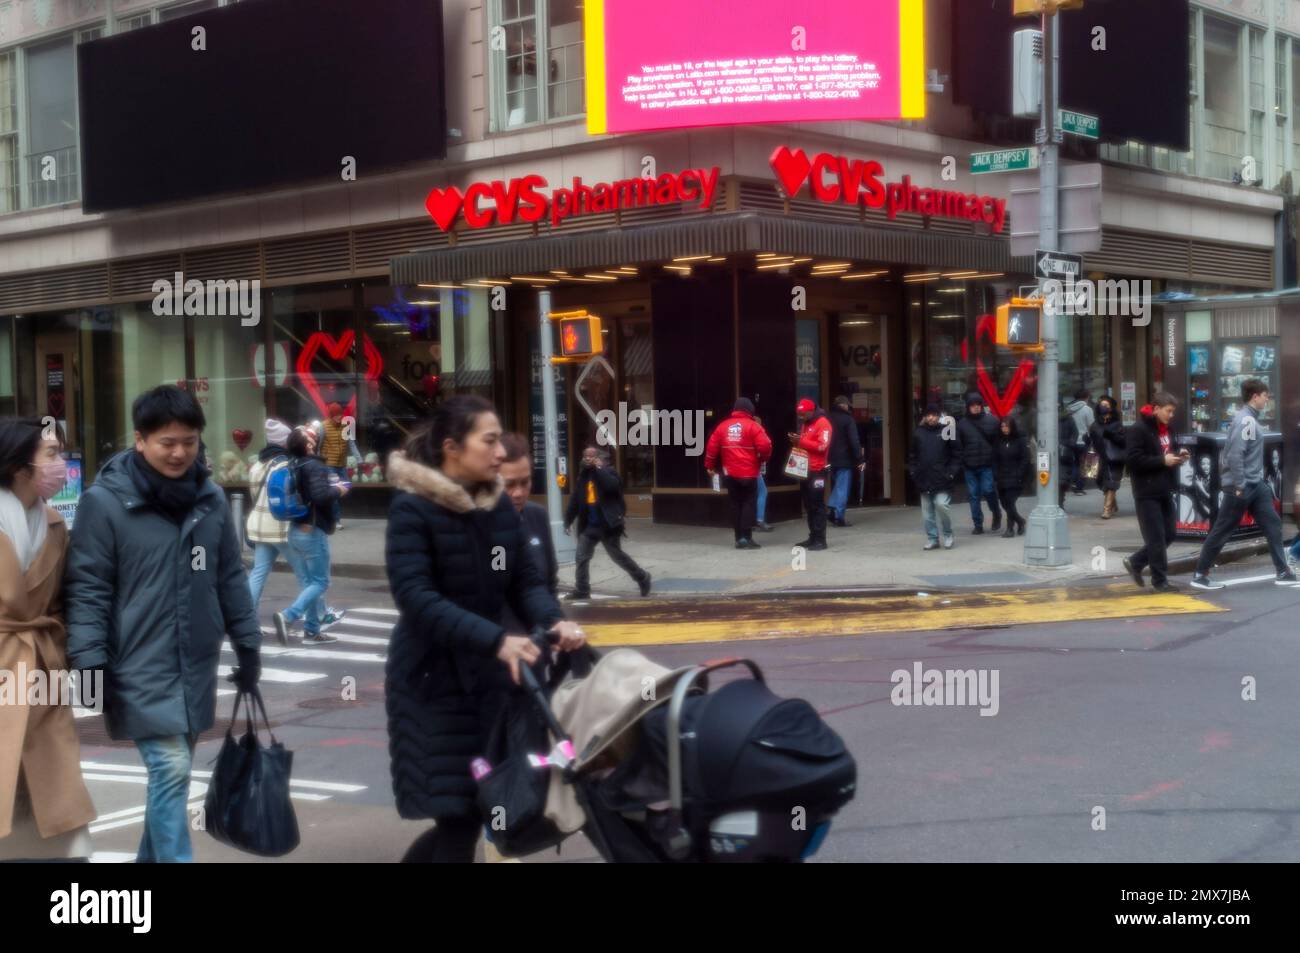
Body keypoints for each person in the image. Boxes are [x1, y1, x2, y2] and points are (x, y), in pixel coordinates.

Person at [65, 385, 263, 863]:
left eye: (189, 442)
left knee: (170, 781)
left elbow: (229, 576)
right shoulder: (105, 503)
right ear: (140, 440)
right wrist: (89, 665)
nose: (179, 453)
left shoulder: (210, 499)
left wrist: (248, 643)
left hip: (195, 663)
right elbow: (88, 589)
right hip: (135, 663)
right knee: (172, 768)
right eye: (167, 442)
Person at [384, 395, 585, 863]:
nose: (500, 452)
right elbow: (417, 599)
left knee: (478, 811)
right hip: (431, 685)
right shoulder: (412, 510)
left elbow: (525, 583)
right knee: (457, 816)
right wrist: (496, 640)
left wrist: (553, 621)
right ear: (453, 446)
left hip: (490, 687)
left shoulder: (496, 508)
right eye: (489, 440)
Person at [0, 417, 97, 861]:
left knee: (49, 782)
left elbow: (62, 599)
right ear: (21, 467)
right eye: (52, 454)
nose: (62, 464)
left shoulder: (53, 523)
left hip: (39, 666)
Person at [1191, 380, 1300, 589]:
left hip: (1254, 485)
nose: (1267, 399)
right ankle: (1199, 574)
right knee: (1222, 530)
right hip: (1241, 486)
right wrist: (1240, 484)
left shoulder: (1249, 419)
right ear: (1255, 396)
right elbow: (1234, 454)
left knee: (1273, 524)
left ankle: (1283, 571)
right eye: (1265, 395)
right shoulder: (1246, 421)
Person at [272, 427, 347, 645]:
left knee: (310, 584)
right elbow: (320, 496)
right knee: (321, 582)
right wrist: (339, 490)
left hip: (296, 529)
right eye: (309, 436)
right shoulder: (313, 465)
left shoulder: (294, 464)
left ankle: (312, 631)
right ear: (307, 445)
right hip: (312, 530)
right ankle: (288, 616)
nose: (313, 435)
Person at [564, 446, 652, 599]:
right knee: (581, 556)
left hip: (608, 525)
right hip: (590, 526)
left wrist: (599, 469)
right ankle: (582, 590)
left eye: (591, 456)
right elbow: (575, 501)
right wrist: (567, 520)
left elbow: (612, 487)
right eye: (585, 457)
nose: (587, 459)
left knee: (617, 556)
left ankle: (642, 577)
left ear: (598, 458)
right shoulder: (583, 476)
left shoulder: (609, 472)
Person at [1121, 393, 1187, 593]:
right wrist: (1162, 461)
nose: (1171, 415)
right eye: (1168, 411)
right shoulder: (1138, 430)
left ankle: (1136, 562)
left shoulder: (1169, 430)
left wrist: (1179, 456)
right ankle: (1160, 580)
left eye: (1173, 411)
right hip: (1146, 491)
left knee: (1169, 534)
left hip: (1165, 488)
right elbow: (1133, 461)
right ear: (1156, 408)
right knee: (1156, 537)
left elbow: (1168, 454)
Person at [245, 419, 305, 636]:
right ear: (285, 441)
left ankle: (246, 619)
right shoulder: (288, 464)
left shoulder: (257, 465)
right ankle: (313, 618)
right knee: (306, 574)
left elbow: (253, 495)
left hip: (260, 526)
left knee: (258, 572)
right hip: (281, 528)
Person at [704, 397, 773, 549]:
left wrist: (709, 465)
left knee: (735, 503)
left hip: (730, 473)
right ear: (749, 410)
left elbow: (712, 447)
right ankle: (747, 538)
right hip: (749, 473)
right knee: (749, 503)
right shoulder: (754, 426)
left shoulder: (723, 426)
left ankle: (738, 538)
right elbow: (766, 445)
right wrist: (762, 459)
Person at [499, 433, 558, 596]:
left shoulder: (538, 515)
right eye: (509, 485)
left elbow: (550, 582)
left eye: (525, 482)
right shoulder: (484, 523)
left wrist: (553, 619)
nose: (518, 493)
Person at [908, 402, 960, 551]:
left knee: (942, 505)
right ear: (925, 416)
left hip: (942, 478)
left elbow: (957, 454)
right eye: (929, 415)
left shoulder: (947, 431)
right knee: (927, 513)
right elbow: (912, 455)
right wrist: (913, 471)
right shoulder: (919, 432)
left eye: (934, 415)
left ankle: (948, 534)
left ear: (939, 416)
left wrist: (951, 472)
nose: (931, 418)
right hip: (924, 478)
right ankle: (932, 538)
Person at [788, 398, 833, 551]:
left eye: (803, 414)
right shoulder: (806, 424)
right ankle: (813, 536)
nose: (801, 416)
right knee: (808, 504)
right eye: (799, 414)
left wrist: (801, 441)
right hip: (804, 469)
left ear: (811, 411)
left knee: (817, 504)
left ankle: (820, 539)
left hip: (817, 471)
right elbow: (806, 444)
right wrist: (797, 441)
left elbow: (822, 446)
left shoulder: (823, 423)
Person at [956, 392, 1002, 534]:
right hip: (969, 465)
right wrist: (962, 461)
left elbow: (998, 443)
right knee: (973, 495)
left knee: (988, 490)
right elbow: (958, 445)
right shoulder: (962, 424)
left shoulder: (992, 421)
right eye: (972, 405)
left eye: (978, 405)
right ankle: (978, 524)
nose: (976, 408)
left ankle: (996, 512)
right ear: (968, 407)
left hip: (986, 464)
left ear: (982, 406)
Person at [826, 396, 865, 528]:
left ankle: (832, 508)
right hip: (845, 459)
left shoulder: (827, 418)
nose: (849, 407)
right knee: (842, 488)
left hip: (830, 458)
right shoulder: (848, 419)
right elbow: (854, 441)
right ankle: (838, 516)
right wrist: (859, 458)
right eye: (847, 405)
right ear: (844, 406)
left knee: (837, 485)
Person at [320, 402, 359, 529]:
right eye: (336, 415)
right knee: (335, 492)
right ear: (331, 415)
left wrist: (359, 459)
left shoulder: (345, 426)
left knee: (346, 487)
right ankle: (336, 520)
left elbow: (351, 444)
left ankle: (327, 513)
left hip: (342, 464)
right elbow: (319, 444)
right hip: (329, 464)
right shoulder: (324, 426)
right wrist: (317, 461)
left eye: (340, 414)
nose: (339, 417)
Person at [992, 416, 1029, 538]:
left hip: (1015, 477)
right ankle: (1020, 521)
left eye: (1007, 426)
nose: (1004, 429)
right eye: (1002, 426)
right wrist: (996, 473)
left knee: (1010, 502)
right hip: (1002, 476)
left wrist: (1019, 473)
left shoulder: (1020, 441)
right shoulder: (998, 441)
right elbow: (995, 459)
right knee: (1004, 503)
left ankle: (1009, 528)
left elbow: (1025, 459)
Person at [1090, 395, 1126, 519]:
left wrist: (1111, 435)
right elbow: (1092, 441)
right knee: (1102, 483)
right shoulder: (1095, 425)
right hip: (1100, 458)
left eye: (1106, 405)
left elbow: (1123, 441)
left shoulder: (1117, 424)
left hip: (1115, 458)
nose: (1103, 407)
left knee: (1112, 482)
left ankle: (1106, 510)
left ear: (1111, 408)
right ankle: (1112, 504)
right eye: (1102, 405)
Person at [1066, 388, 1094, 494]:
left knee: (1075, 463)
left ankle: (1072, 482)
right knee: (1084, 465)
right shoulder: (1087, 409)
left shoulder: (1069, 409)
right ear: (1086, 397)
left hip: (1071, 441)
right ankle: (1079, 487)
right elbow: (1091, 426)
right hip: (1083, 440)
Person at [753, 414, 773, 532]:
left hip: (741, 468)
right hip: (753, 468)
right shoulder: (758, 433)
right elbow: (766, 445)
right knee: (762, 491)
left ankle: (754, 520)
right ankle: (759, 519)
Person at [1058, 400, 1078, 508]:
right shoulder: (1047, 418)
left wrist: (1070, 443)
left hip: (1065, 452)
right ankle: (1058, 502)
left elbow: (1075, 432)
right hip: (1052, 453)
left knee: (1062, 480)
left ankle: (1060, 501)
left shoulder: (1069, 419)